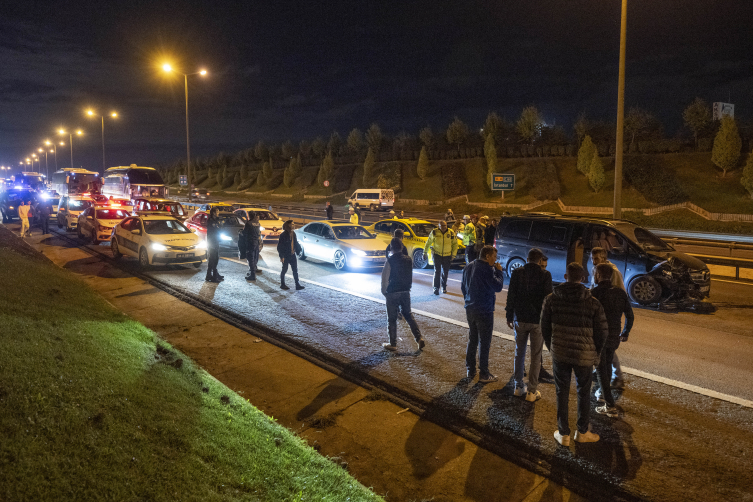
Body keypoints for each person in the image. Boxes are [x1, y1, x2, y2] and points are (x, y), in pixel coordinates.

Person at [541, 262, 608, 446]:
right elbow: (602, 331)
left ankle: (563, 434)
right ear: (583, 279)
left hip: (560, 353)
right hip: (584, 356)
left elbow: (544, 327)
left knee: (561, 392)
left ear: (565, 277)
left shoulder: (552, 299)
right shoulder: (592, 302)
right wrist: (596, 353)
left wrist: (552, 347)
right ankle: (582, 431)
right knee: (583, 392)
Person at [505, 248, 553, 402]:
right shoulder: (545, 275)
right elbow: (548, 299)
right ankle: (532, 391)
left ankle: (518, 387)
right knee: (536, 355)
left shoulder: (518, 273)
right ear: (539, 261)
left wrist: (509, 315)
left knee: (519, 353)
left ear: (527, 258)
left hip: (520, 318)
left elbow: (511, 295)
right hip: (537, 321)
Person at [591, 263, 634, 418]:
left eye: (595, 273)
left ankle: (609, 405)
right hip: (614, 337)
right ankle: (603, 395)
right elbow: (630, 315)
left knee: (602, 370)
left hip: (599, 337)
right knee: (607, 366)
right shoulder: (620, 293)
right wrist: (625, 332)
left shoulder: (595, 293)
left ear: (599, 275)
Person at [461, 245, 505, 383]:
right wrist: (499, 272)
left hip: (470, 308)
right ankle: (484, 374)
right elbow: (497, 286)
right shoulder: (487, 269)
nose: (495, 260)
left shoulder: (469, 266)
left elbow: (463, 287)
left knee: (473, 338)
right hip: (484, 310)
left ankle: (470, 369)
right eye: (494, 257)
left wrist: (468, 300)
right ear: (487, 256)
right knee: (484, 342)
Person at [590, 246, 626, 390]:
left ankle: (616, 377)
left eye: (596, 259)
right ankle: (600, 372)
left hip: (609, 315)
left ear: (604, 258)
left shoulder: (614, 272)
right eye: (592, 258)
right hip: (599, 314)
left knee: (607, 347)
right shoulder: (596, 268)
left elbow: (621, 293)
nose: (593, 261)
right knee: (602, 347)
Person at [380, 238, 425, 351]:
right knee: (408, 315)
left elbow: (384, 279)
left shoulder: (389, 261)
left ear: (391, 248)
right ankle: (419, 338)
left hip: (393, 291)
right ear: (402, 247)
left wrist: (384, 292)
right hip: (405, 291)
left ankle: (393, 343)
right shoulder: (409, 260)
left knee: (392, 319)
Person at [424, 220, 457, 295]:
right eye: (442, 226)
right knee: (437, 271)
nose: (444, 227)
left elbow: (455, 244)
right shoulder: (434, 232)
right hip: (437, 254)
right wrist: (424, 252)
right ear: (439, 226)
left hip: (447, 255)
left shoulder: (451, 232)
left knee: (445, 272)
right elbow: (428, 242)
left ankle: (444, 286)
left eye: (445, 225)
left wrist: (453, 255)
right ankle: (436, 288)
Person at [277, 220, 305, 291]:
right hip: (286, 256)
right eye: (292, 224)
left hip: (292, 255)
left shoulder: (293, 233)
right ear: (288, 225)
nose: (293, 225)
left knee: (295, 270)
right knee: (284, 270)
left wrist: (299, 251)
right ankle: (282, 284)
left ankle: (297, 285)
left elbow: (295, 243)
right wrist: (282, 256)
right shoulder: (283, 235)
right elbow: (280, 247)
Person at [205, 208, 223, 282]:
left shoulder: (216, 220)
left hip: (215, 241)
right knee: (213, 259)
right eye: (217, 212)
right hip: (212, 242)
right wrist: (219, 225)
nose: (218, 213)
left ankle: (211, 275)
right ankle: (213, 276)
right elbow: (216, 229)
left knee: (214, 259)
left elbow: (220, 229)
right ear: (213, 213)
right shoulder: (211, 221)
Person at [243, 211, 262, 281]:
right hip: (256, 242)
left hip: (250, 242)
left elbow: (245, 233)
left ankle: (252, 275)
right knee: (255, 257)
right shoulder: (257, 223)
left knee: (250, 258)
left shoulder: (249, 223)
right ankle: (253, 271)